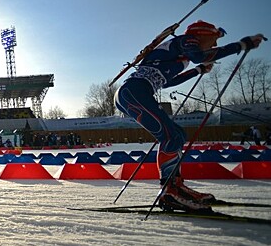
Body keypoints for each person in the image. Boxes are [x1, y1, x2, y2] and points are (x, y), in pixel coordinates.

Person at [114, 20, 265, 212]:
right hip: (134, 91)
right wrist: (242, 45)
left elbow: (167, 82)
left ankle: (175, 186)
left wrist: (199, 70)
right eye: (213, 39)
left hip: (134, 92)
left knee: (177, 135)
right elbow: (200, 55)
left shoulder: (181, 55)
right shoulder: (187, 41)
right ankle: (169, 191)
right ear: (202, 35)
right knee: (171, 136)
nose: (215, 45)